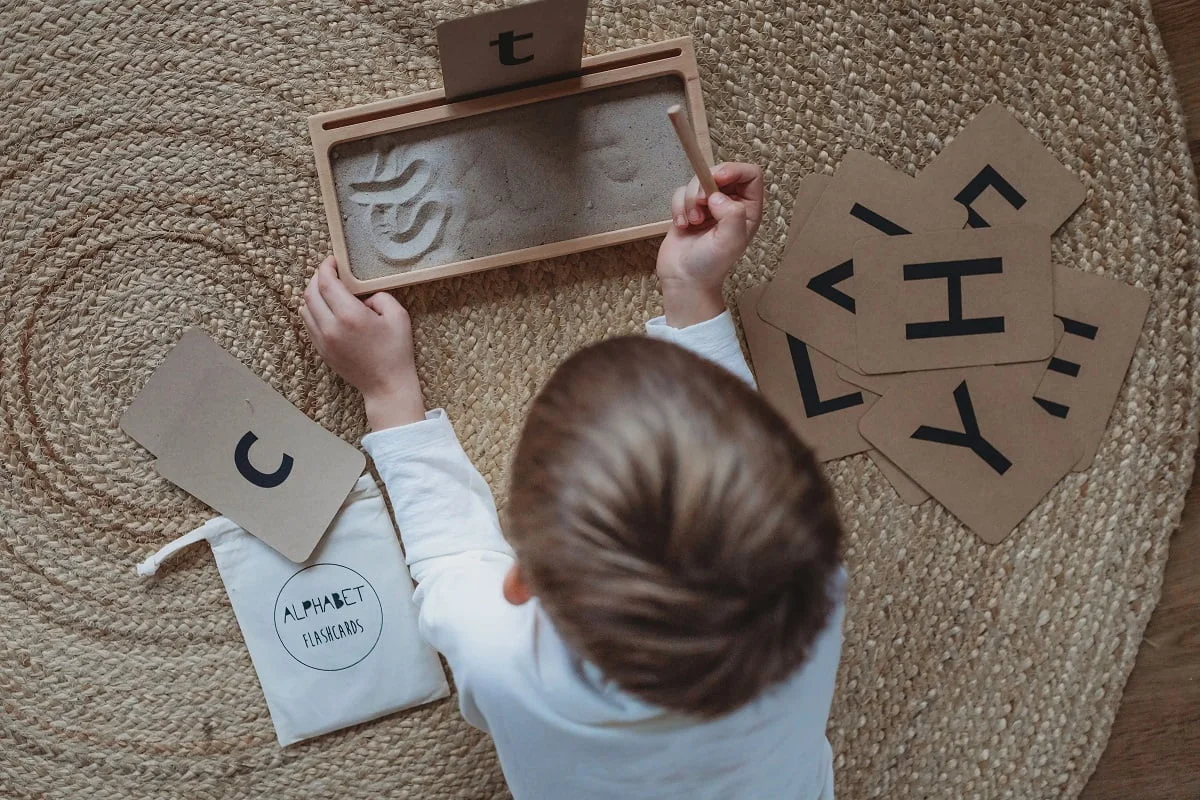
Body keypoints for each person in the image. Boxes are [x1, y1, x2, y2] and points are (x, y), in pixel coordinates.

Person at [300, 163, 846, 799]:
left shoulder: (503, 660)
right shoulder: (814, 583)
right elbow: (745, 475)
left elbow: (450, 555)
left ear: (519, 579)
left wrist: (386, 387)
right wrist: (693, 292)